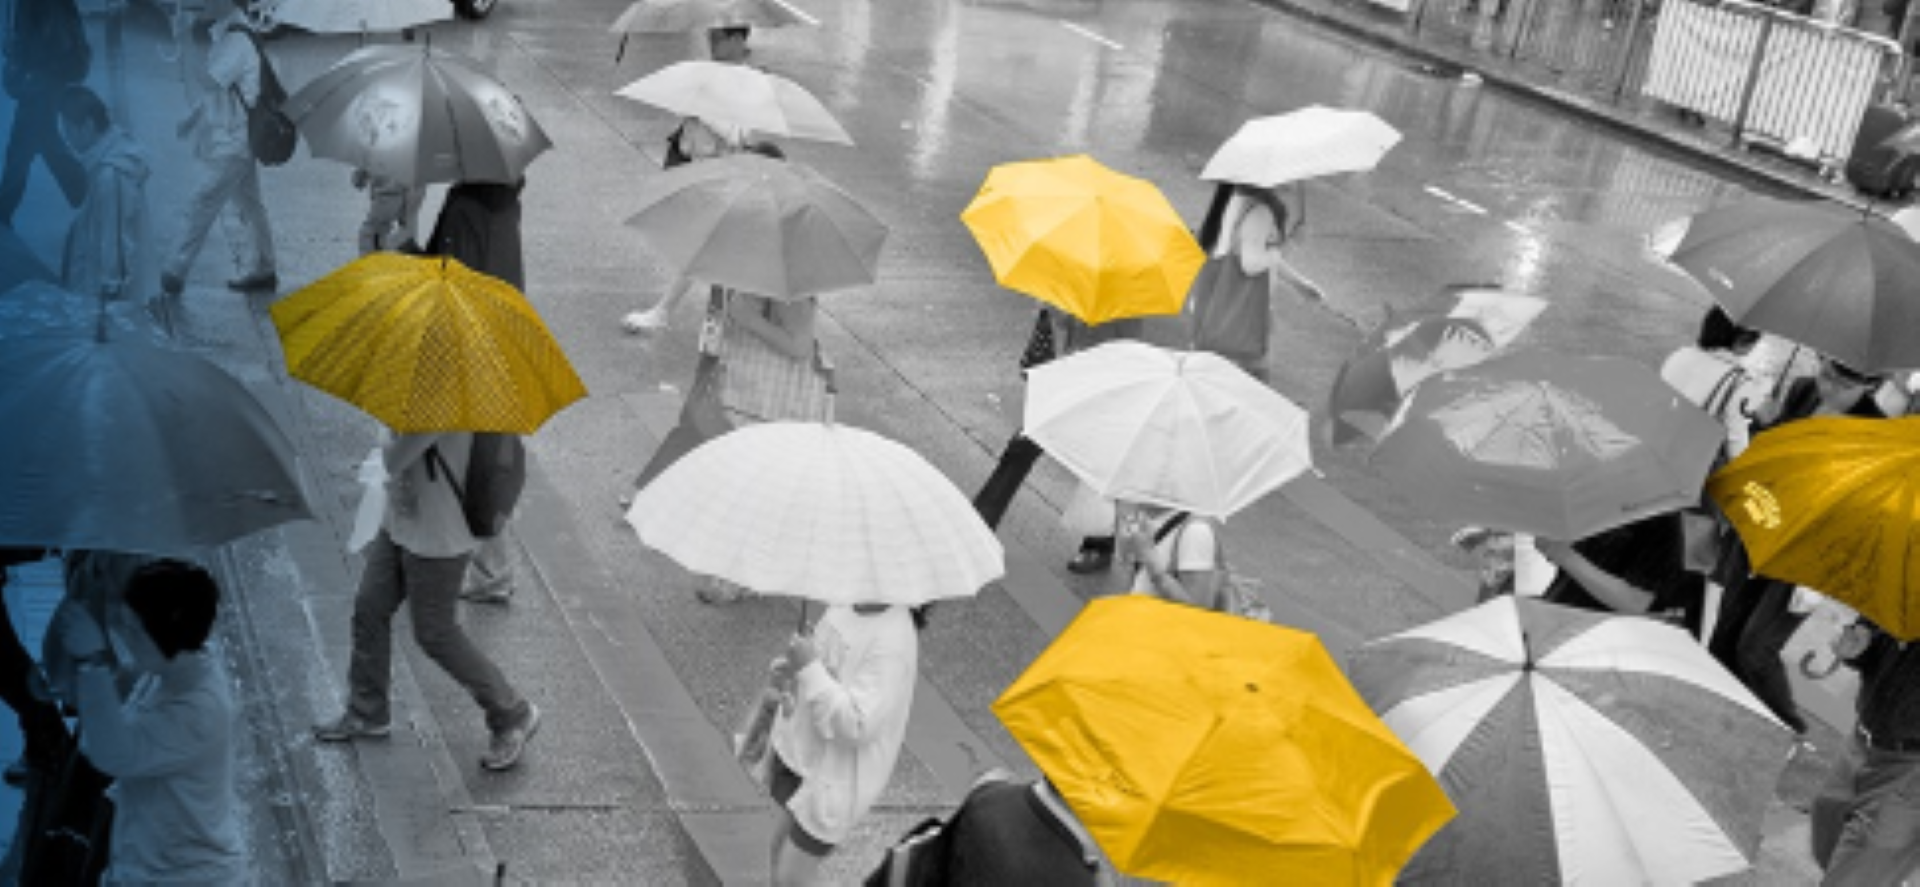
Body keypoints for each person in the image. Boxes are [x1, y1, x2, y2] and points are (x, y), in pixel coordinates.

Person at [313, 432, 541, 772]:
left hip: (439, 534)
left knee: (435, 632)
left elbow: (395, 457)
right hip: (402, 521)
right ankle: (367, 711)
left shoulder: (438, 396)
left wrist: (381, 453)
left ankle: (510, 712)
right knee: (370, 606)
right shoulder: (417, 390)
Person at [1708, 354, 1894, 735]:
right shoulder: (1802, 391)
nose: (1828, 385)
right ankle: (1723, 710)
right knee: (1725, 630)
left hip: (1809, 553)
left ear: (1871, 387)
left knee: (1756, 648)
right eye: (1826, 371)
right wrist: (1763, 423)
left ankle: (1787, 724)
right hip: (1763, 525)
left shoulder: (1877, 433)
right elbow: (1769, 455)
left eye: (1842, 384)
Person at [49, 559, 248, 884]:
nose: (122, 636)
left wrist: (93, 662)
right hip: (150, 863)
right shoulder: (168, 672)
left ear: (167, 632)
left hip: (184, 876)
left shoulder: (198, 709)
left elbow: (114, 754)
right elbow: (97, 741)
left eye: (133, 629)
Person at [970, 308, 1143, 575]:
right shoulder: (1072, 278)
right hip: (1062, 373)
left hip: (1103, 377)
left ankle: (1107, 544)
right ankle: (979, 527)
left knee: (1103, 461)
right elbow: (1054, 323)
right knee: (1021, 447)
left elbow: (1126, 346)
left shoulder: (1129, 290)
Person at [421, 178, 527, 604]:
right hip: (496, 331)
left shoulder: (466, 205)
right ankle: (490, 568)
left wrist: (406, 247)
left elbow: (448, 276)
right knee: (485, 454)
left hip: (465, 343)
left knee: (466, 456)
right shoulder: (504, 200)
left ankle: (490, 570)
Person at [765, 602, 921, 885]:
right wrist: (797, 666)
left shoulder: (892, 643)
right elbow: (827, 668)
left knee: (791, 876)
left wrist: (810, 668)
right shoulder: (845, 603)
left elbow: (857, 724)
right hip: (809, 760)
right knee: (780, 855)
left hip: (837, 779)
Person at [619, 27, 756, 334]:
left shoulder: (750, 82)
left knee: (704, 247)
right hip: (697, 172)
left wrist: (703, 111)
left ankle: (665, 312)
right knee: (716, 251)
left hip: (722, 177)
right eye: (710, 36)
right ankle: (730, 318)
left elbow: (742, 135)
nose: (712, 42)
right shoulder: (708, 75)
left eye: (719, 37)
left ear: (738, 39)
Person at [158, 0, 277, 299]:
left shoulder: (236, 40)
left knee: (202, 200)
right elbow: (222, 89)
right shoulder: (227, 35)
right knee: (250, 204)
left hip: (232, 143)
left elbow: (206, 80)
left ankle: (175, 271)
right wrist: (194, 117)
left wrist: (184, 38)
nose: (201, 5)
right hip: (235, 138)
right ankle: (264, 267)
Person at [1186, 182, 1346, 385]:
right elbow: (1251, 264)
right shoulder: (1259, 212)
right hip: (1245, 315)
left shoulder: (1235, 200)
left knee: (1224, 387)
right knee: (1254, 390)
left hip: (1220, 309)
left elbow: (1244, 255)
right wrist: (1289, 245)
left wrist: (1299, 283)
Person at [1810, 613, 1920, 883]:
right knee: (1828, 828)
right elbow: (1871, 640)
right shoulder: (1909, 584)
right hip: (1862, 740)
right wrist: (1857, 648)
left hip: (1911, 769)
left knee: (1858, 867)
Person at [55, 85, 150, 314]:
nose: (66, 138)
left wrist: (109, 293)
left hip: (101, 297)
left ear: (87, 126)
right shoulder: (112, 153)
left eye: (68, 129)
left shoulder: (109, 176)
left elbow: (114, 240)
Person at [0, 0, 89, 228]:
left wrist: (28, 66)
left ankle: (3, 210)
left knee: (22, 144)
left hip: (44, 74)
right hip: (47, 72)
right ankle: (85, 190)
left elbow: (53, 36)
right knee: (44, 138)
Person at [1117, 501, 1228, 613]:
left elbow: (1198, 610)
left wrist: (1150, 559)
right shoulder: (1150, 521)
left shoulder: (1196, 531)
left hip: (1166, 628)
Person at [353, 168, 424, 256]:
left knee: (371, 232)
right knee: (408, 224)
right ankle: (406, 251)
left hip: (389, 187)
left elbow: (375, 156)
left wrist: (361, 174)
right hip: (415, 184)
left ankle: (372, 258)